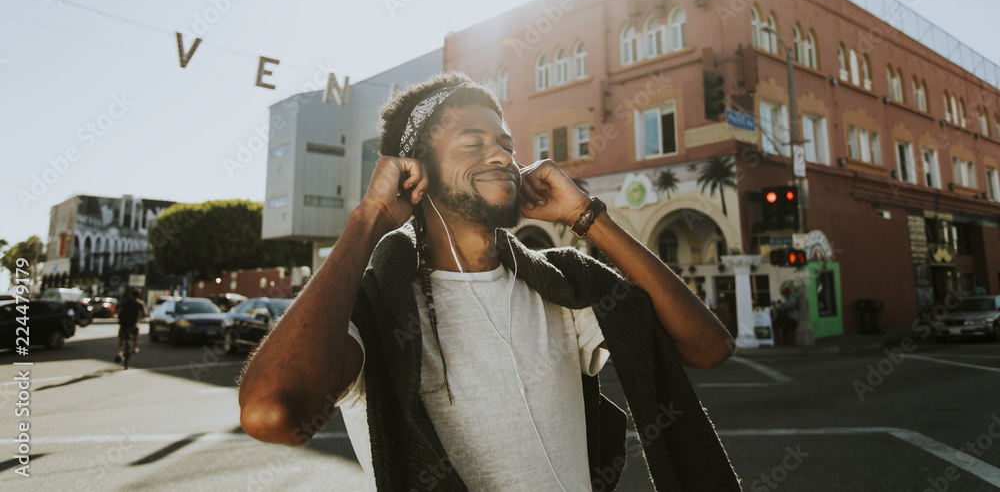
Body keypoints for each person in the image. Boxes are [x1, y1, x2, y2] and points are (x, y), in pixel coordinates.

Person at [238, 73, 742, 490]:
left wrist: (588, 217)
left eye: (505, 144)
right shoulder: (376, 312)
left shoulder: (563, 285)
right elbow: (271, 413)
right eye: (473, 143)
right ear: (413, 171)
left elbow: (708, 347)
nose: (501, 156)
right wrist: (367, 218)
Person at [116, 288, 148, 362]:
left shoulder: (125, 302)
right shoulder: (140, 303)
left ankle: (119, 353)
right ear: (138, 295)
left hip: (124, 323)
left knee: (121, 338)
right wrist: (143, 317)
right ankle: (135, 347)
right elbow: (144, 314)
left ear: (131, 294)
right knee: (136, 332)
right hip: (133, 323)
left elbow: (119, 310)